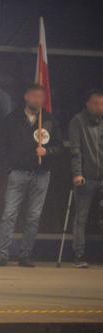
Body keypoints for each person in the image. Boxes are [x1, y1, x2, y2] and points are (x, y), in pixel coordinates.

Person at [0, 84, 64, 267]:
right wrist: (9, 167)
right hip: (18, 172)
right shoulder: (13, 118)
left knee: (33, 216)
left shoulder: (49, 120)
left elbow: (59, 147)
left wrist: (47, 152)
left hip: (41, 173)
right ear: (26, 97)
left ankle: (25, 254)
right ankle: (2, 254)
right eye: (34, 96)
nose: (38, 100)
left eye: (41, 97)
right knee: (9, 213)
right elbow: (3, 146)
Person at [69, 89, 103, 268]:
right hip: (86, 177)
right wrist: (77, 173)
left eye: (102, 104)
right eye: (96, 104)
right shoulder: (78, 121)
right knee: (81, 218)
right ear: (88, 104)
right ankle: (79, 254)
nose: (99, 107)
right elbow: (76, 150)